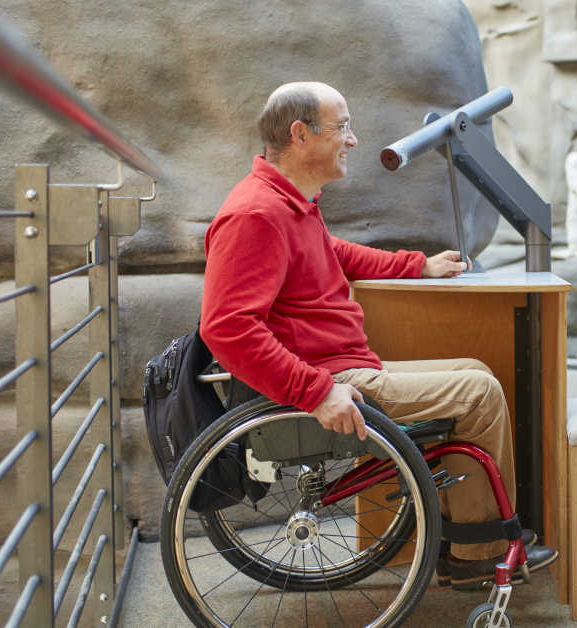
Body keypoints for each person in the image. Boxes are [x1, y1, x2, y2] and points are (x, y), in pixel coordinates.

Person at [200, 81, 557, 590]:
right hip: (328, 379)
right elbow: (227, 328)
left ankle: (464, 535)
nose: (354, 140)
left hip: (346, 365)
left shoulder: (291, 202)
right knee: (479, 392)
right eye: (342, 126)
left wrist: (417, 265)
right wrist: (317, 391)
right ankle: (477, 550)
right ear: (300, 135)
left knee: (475, 371)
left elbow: (335, 254)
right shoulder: (257, 214)